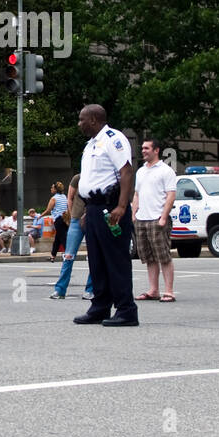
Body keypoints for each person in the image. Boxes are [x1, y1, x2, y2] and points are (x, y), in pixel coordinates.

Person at [74, 104, 137, 327]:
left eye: (82, 119)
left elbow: (126, 171)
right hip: (94, 208)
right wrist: (86, 212)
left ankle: (126, 310)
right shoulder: (91, 144)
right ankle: (100, 307)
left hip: (111, 207)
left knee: (116, 260)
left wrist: (121, 207)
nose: (79, 124)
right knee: (97, 261)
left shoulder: (113, 138)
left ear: (93, 119)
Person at [132, 138, 178, 303]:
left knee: (163, 256)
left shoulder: (166, 171)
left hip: (157, 219)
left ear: (156, 150)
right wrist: (133, 214)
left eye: (146, 148)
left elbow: (171, 195)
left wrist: (163, 217)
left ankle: (169, 291)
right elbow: (137, 194)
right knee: (149, 258)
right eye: (142, 148)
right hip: (142, 220)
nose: (143, 150)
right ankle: (153, 290)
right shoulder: (140, 171)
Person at [51, 173, 94, 301]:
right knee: (68, 255)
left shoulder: (98, 175)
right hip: (76, 220)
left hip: (92, 219)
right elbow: (70, 197)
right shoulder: (78, 178)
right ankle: (60, 290)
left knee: (93, 256)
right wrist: (72, 215)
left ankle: (90, 290)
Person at [44, 181, 69, 263]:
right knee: (58, 239)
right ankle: (52, 256)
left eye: (52, 188)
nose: (51, 189)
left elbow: (48, 210)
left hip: (58, 219)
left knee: (62, 237)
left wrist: (40, 216)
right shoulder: (64, 197)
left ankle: (68, 254)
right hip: (65, 219)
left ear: (55, 189)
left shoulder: (54, 198)